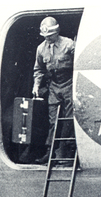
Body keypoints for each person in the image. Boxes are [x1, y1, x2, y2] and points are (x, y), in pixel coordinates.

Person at [32, 16, 75, 163]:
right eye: (45, 36)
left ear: (57, 32)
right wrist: (36, 85)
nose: (48, 38)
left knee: (69, 119)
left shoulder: (69, 44)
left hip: (69, 84)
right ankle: (51, 153)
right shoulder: (41, 49)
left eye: (50, 35)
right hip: (54, 86)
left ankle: (67, 151)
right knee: (53, 121)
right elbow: (38, 70)